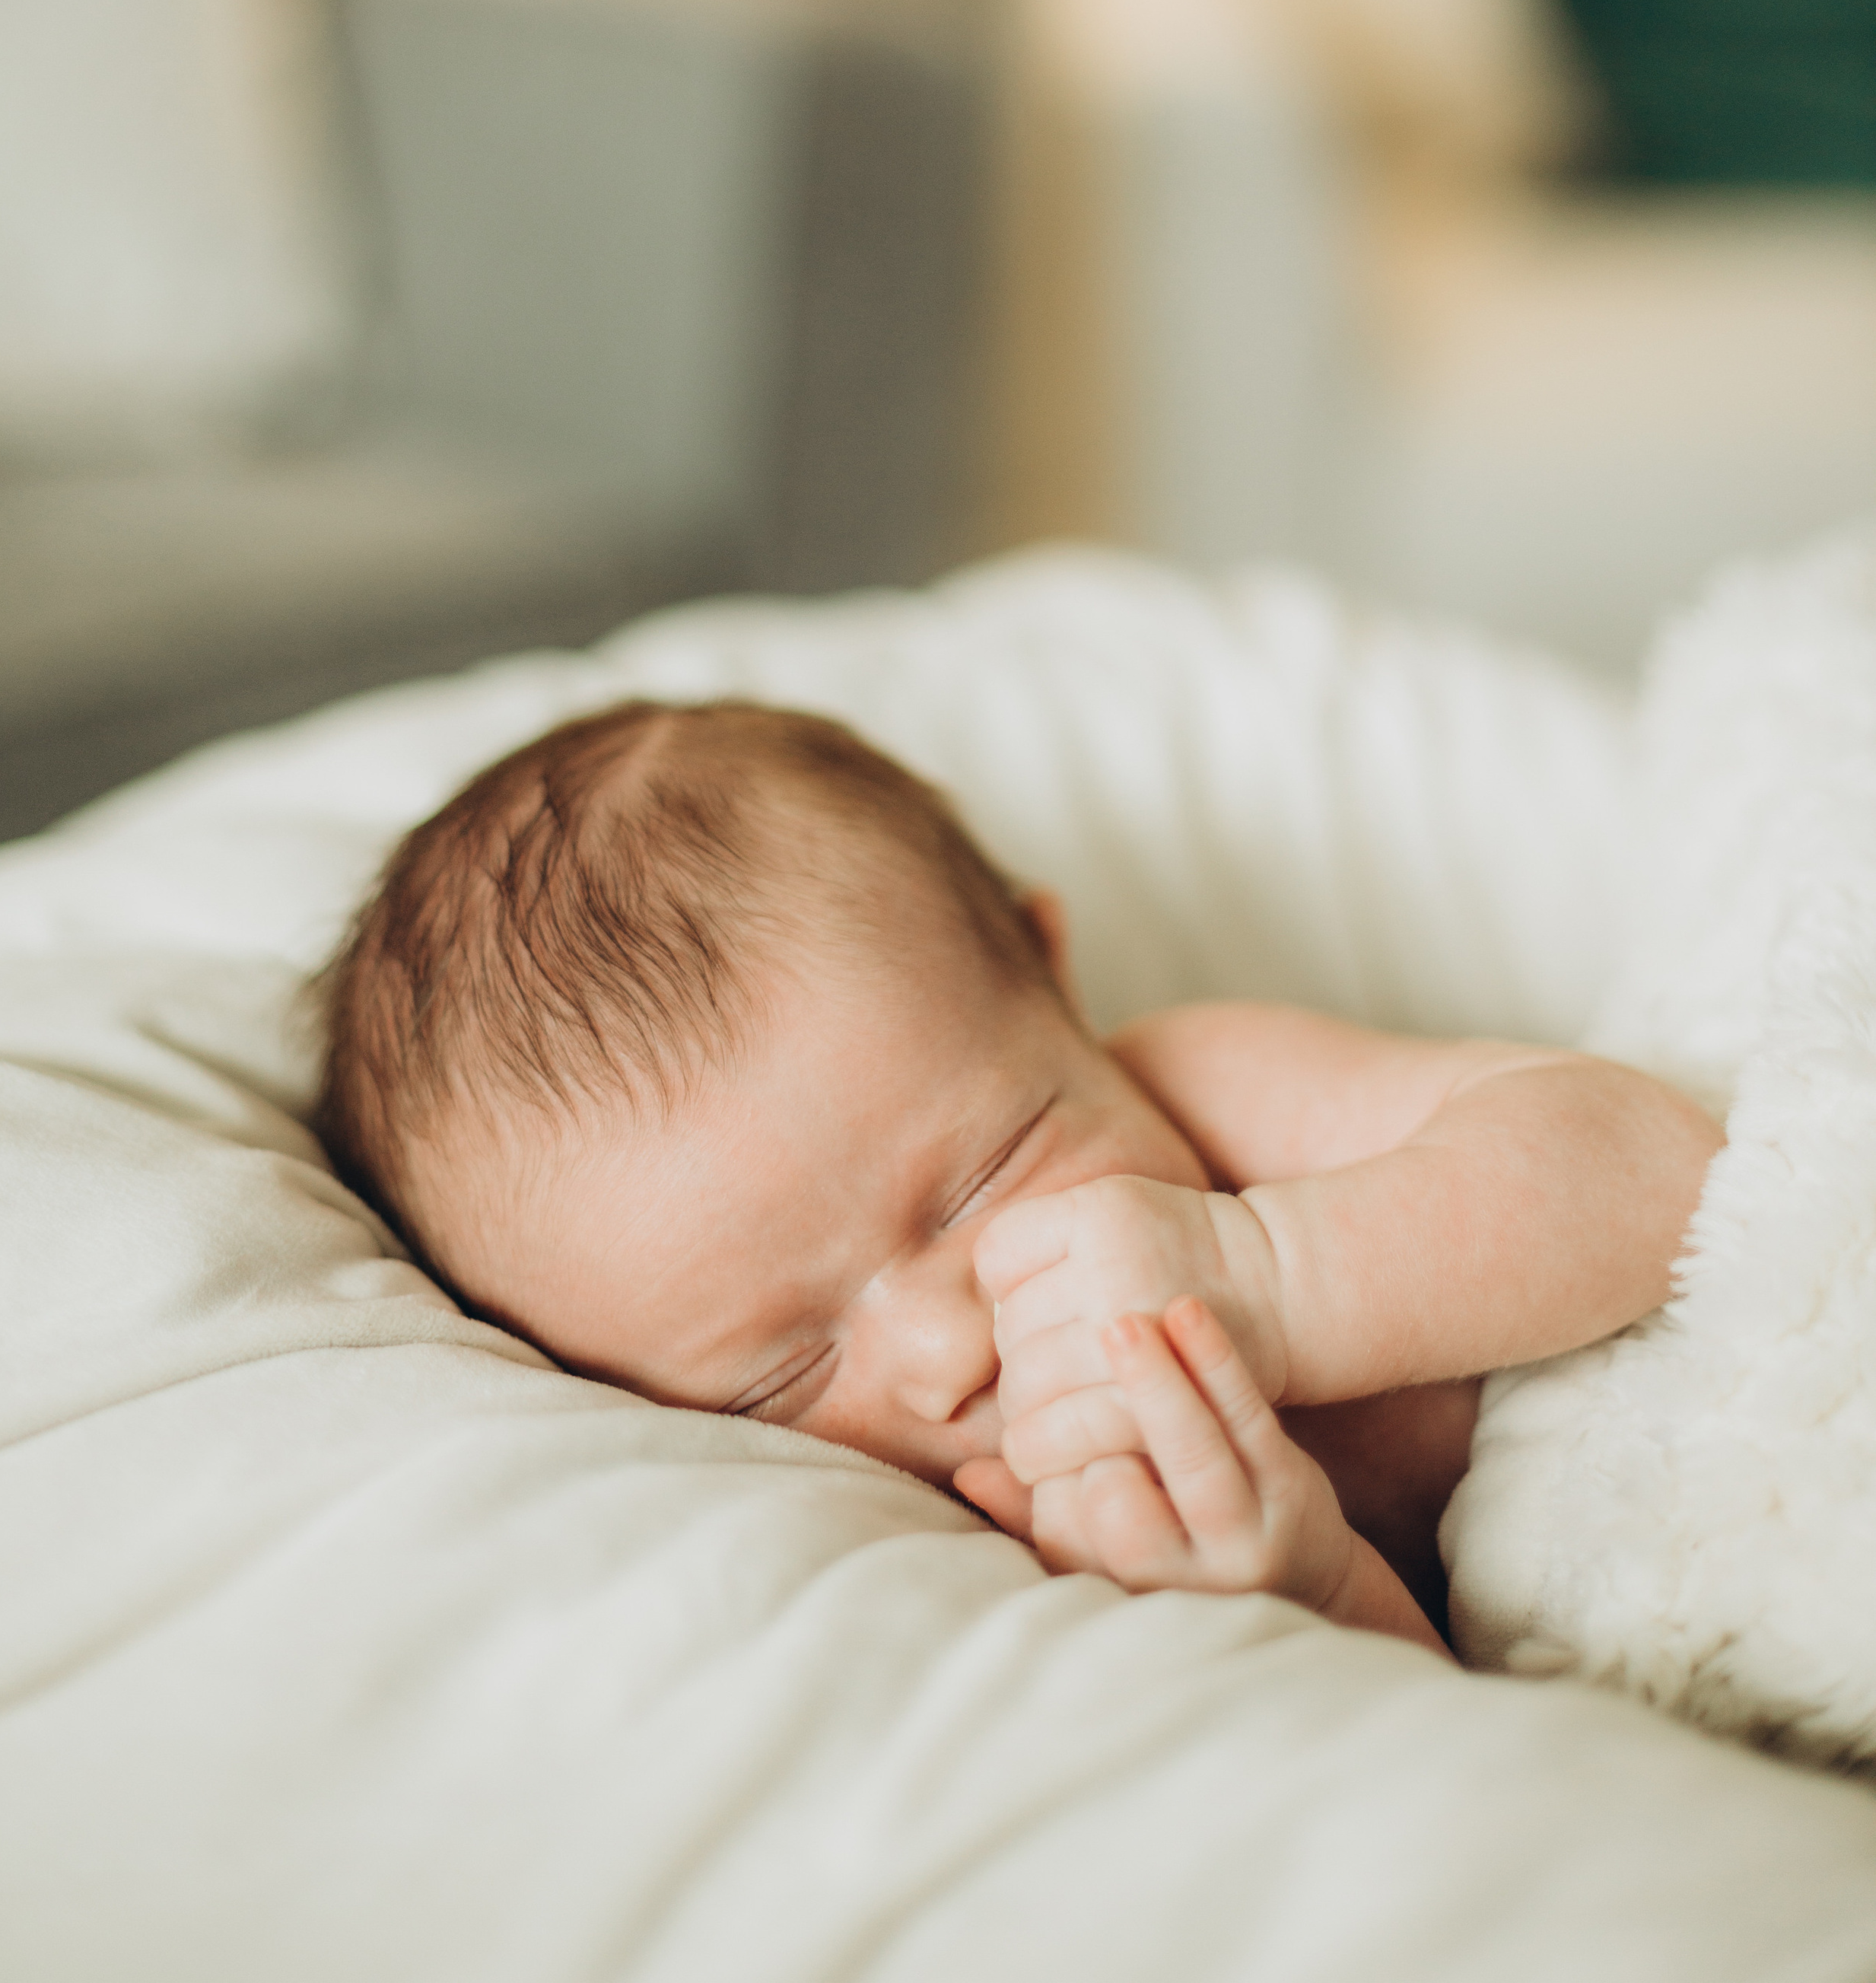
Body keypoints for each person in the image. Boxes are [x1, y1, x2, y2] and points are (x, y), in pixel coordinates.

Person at [313, 699, 1722, 1657]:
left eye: (984, 1178)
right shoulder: (957, 1571)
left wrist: (1281, 1277)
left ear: (1049, 973)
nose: (951, 1340)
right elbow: (1472, 1785)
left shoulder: (1213, 1098)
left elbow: (1660, 1167)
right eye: (777, 1375)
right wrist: (1308, 1592)